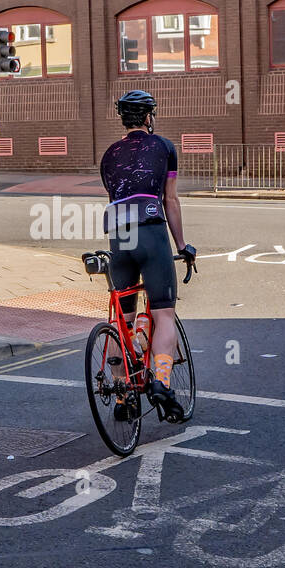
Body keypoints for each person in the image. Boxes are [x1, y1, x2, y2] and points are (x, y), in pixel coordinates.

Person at [98, 89, 195, 422]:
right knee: (163, 313)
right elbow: (171, 200)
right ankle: (162, 382)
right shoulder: (164, 147)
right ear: (150, 117)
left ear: (123, 119)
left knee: (120, 320)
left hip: (118, 238)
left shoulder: (109, 154)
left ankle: (123, 397)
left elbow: (117, 196)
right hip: (151, 232)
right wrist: (182, 246)